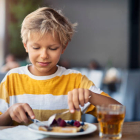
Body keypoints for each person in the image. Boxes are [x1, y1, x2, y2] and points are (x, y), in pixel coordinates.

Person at [0, 7, 121, 126]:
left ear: (63, 47)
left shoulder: (76, 80)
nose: (44, 55)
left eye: (52, 48)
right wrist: (9, 113)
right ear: (26, 46)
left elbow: (118, 111)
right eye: (36, 47)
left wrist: (90, 96)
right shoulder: (12, 79)